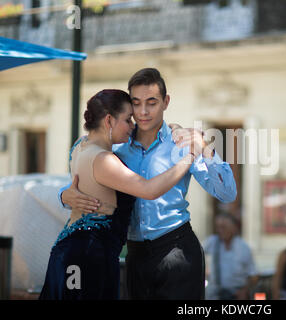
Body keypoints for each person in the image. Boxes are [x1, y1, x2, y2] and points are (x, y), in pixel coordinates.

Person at [59, 68, 237, 299]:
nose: (143, 112)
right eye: (136, 103)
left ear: (166, 102)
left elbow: (227, 193)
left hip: (178, 251)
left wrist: (206, 149)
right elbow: (78, 181)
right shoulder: (116, 146)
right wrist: (64, 196)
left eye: (152, 103)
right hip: (134, 257)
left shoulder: (182, 144)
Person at [40, 89, 200, 300]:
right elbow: (149, 190)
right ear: (109, 120)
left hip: (72, 251)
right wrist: (190, 157)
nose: (132, 127)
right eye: (128, 120)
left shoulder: (80, 146)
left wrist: (174, 128)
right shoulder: (104, 160)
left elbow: (80, 186)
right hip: (88, 256)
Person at [203, 213, 258, 300]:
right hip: (215, 294)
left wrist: (244, 290)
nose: (220, 230)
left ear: (234, 228)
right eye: (218, 227)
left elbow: (253, 275)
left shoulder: (243, 247)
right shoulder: (212, 242)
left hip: (236, 294)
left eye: (224, 227)